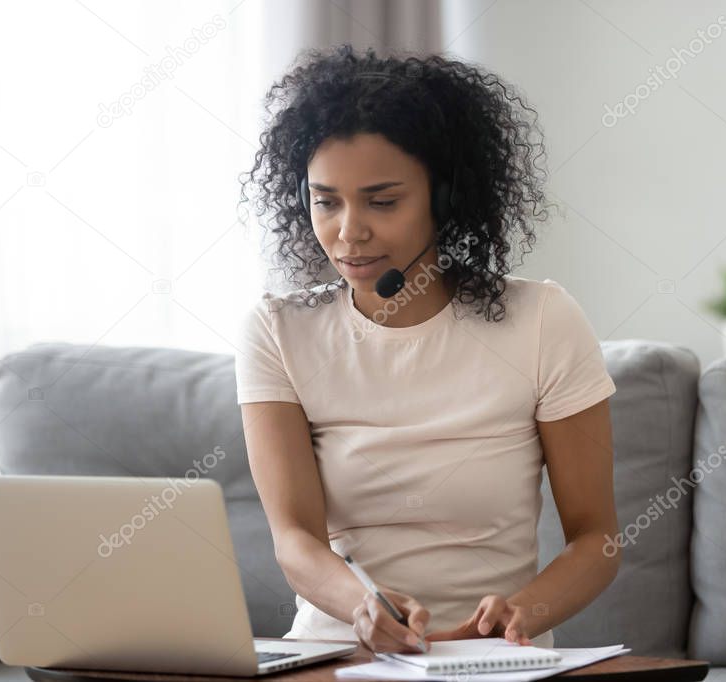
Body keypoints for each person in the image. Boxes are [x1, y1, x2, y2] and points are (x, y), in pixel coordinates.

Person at [235, 44, 620, 654]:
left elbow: (596, 538)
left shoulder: (542, 320)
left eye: (382, 201)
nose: (348, 231)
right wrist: (362, 606)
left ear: (446, 199)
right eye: (326, 200)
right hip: (338, 654)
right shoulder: (279, 331)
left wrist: (521, 612)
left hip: (492, 661)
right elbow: (295, 539)